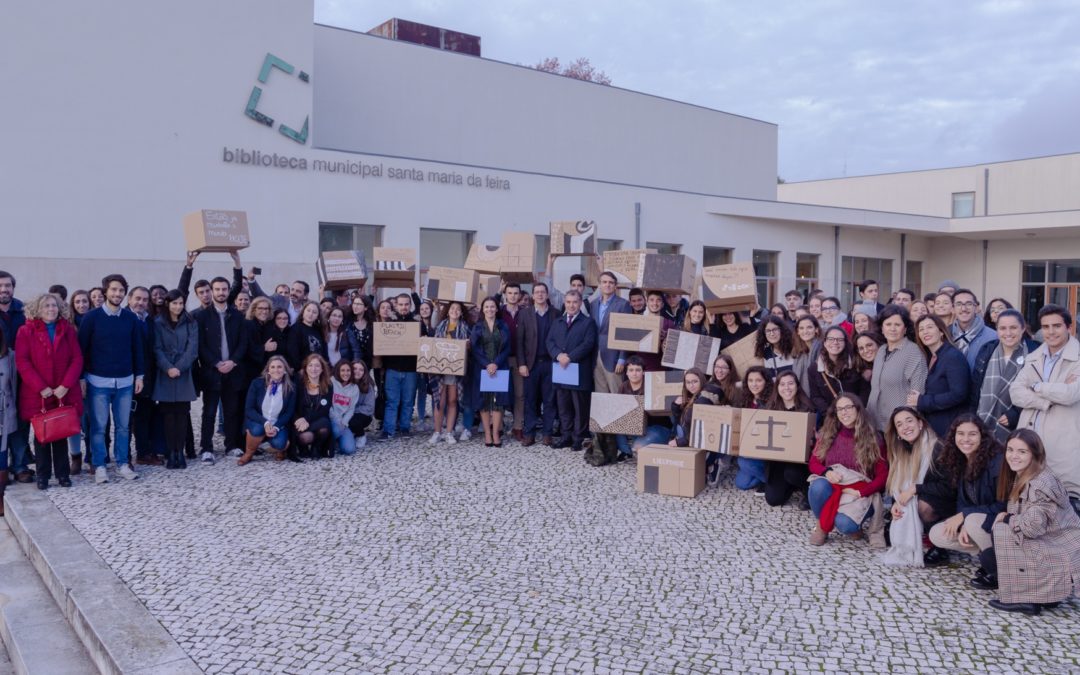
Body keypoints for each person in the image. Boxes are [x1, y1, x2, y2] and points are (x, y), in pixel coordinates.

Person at [989, 429, 1080, 615]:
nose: (1013, 456)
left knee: (1002, 531)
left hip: (1060, 547)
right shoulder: (1028, 474)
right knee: (1002, 534)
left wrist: (1008, 519)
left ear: (1035, 454)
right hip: (1056, 542)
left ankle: (1023, 598)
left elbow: (1032, 527)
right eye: (1010, 450)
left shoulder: (1039, 485)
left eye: (1022, 452)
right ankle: (1046, 594)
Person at [1010, 304, 1080, 514]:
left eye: (1057, 326)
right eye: (1046, 326)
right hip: (1031, 443)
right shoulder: (1035, 357)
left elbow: (1070, 394)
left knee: (1064, 508)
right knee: (1029, 505)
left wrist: (1037, 386)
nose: (1051, 332)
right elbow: (1015, 392)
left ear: (1068, 327)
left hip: (1063, 443)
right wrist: (1046, 400)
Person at [79, 274, 146, 483]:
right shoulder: (91, 318)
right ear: (105, 291)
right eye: (114, 289)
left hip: (126, 381)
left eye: (121, 290)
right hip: (98, 381)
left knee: (123, 426)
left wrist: (139, 375)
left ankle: (123, 463)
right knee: (99, 427)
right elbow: (82, 349)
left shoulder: (130, 318)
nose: (117, 294)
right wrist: (81, 378)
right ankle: (99, 465)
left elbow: (137, 348)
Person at [928, 415, 1006, 589]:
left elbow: (1003, 505)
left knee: (971, 521)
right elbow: (963, 501)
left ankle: (998, 572)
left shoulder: (997, 462)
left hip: (1000, 522)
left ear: (982, 436)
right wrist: (963, 521)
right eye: (960, 433)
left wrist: (965, 516)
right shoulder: (962, 459)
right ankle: (988, 558)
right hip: (977, 520)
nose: (965, 439)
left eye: (972, 434)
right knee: (938, 533)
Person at [15, 293, 83, 489]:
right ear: (37, 309)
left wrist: (65, 386)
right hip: (39, 393)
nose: (51, 309)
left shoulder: (67, 330)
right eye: (46, 306)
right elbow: (23, 362)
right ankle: (43, 476)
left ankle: (63, 475)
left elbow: (76, 359)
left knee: (61, 432)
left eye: (54, 305)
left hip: (63, 391)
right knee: (41, 436)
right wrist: (41, 387)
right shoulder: (25, 331)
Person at [807, 394, 888, 548]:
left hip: (859, 491)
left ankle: (852, 526)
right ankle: (821, 527)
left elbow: (883, 476)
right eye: (839, 409)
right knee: (817, 487)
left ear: (858, 409)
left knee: (844, 524)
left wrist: (861, 493)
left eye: (848, 407)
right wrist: (827, 472)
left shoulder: (873, 438)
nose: (844, 412)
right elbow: (814, 462)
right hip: (836, 485)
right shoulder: (828, 434)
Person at [194, 275, 248, 463]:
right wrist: (216, 363)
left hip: (233, 371)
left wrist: (233, 361)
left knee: (231, 410)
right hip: (212, 371)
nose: (221, 292)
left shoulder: (238, 316)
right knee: (209, 411)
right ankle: (206, 448)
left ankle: (231, 445)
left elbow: (243, 343)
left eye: (224, 289)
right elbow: (200, 345)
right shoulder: (201, 316)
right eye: (217, 289)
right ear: (212, 291)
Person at [881, 407, 939, 567]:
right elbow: (899, 488)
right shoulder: (901, 453)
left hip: (944, 503)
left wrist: (915, 489)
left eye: (909, 420)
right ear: (897, 433)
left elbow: (947, 488)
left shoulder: (936, 447)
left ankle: (939, 546)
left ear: (920, 423)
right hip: (917, 497)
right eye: (899, 424)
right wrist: (896, 504)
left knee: (923, 506)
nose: (905, 426)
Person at [152, 290, 198, 470]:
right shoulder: (158, 323)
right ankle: (172, 452)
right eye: (174, 303)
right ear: (167, 304)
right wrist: (168, 367)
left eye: (180, 303)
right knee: (168, 415)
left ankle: (181, 451)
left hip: (183, 373)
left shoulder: (191, 322)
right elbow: (156, 348)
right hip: (165, 373)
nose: (178, 307)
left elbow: (192, 349)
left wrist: (179, 367)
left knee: (182, 414)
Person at [546, 290, 597, 451]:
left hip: (579, 372)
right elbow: (549, 341)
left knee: (579, 407)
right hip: (561, 371)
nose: (571, 305)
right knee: (563, 406)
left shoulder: (588, 322)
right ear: (564, 303)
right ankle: (566, 436)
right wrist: (558, 355)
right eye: (568, 302)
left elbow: (588, 344)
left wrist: (570, 357)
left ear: (580, 303)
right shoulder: (558, 321)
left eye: (574, 302)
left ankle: (578, 437)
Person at [970, 309, 1029, 443]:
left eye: (1013, 327)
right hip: (982, 421)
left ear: (1023, 328)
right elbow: (975, 389)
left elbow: (1036, 391)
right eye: (1002, 328)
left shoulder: (1033, 352)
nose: (1008, 333)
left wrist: (1015, 414)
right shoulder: (987, 350)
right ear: (996, 330)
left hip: (1019, 426)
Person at [866, 306, 927, 432]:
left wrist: (907, 425)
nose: (892, 329)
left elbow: (917, 393)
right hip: (874, 423)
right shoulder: (881, 350)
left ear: (905, 329)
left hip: (898, 427)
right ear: (882, 328)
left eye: (897, 324)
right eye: (888, 324)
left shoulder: (913, 352)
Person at [909, 314, 970, 438]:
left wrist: (922, 401)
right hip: (934, 426)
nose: (925, 331)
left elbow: (959, 394)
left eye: (930, 327)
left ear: (941, 331)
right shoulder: (930, 357)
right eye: (921, 329)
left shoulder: (952, 356)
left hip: (949, 427)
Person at [762, 371, 814, 508]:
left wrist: (811, 439)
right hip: (777, 460)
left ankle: (808, 489)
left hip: (800, 461)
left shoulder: (808, 409)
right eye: (782, 384)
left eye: (790, 383)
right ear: (777, 388)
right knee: (773, 500)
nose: (787, 388)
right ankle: (790, 486)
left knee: (792, 474)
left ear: (797, 385)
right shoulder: (770, 409)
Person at [379, 293, 427, 440]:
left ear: (410, 305)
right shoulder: (388, 323)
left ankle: (405, 428)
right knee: (392, 401)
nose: (404, 307)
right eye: (401, 304)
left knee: (408, 401)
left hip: (411, 369)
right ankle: (388, 430)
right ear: (396, 305)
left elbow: (425, 344)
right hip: (392, 368)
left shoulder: (418, 323)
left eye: (406, 304)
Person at [516, 284, 557, 446]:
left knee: (549, 400)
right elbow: (519, 341)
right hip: (531, 364)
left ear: (547, 294)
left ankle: (547, 433)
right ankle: (530, 433)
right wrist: (521, 364)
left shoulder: (556, 313)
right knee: (530, 400)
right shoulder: (524, 314)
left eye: (543, 292)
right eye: (537, 292)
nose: (540, 295)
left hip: (550, 363)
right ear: (533, 295)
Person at [470, 297, 511, 447]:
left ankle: (496, 433)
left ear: (497, 309)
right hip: (482, 368)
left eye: (492, 307)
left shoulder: (503, 326)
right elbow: (475, 348)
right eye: (486, 307)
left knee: (499, 401)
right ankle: (487, 433)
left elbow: (507, 347)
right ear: (482, 309)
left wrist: (496, 363)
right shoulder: (478, 327)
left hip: (500, 366)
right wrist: (487, 364)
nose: (489, 309)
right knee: (484, 401)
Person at [127, 285, 161, 466]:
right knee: (129, 418)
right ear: (130, 299)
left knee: (145, 415)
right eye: (138, 299)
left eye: (145, 300)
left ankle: (144, 452)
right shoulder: (124, 318)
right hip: (129, 376)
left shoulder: (149, 320)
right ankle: (128, 456)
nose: (141, 303)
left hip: (148, 376)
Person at [240, 355, 296, 464]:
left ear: (285, 370)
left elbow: (289, 413)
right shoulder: (257, 383)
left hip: (277, 423)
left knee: (280, 443)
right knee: (257, 429)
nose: (276, 370)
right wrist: (265, 423)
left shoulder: (291, 388)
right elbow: (249, 409)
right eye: (273, 367)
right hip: (259, 421)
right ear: (268, 370)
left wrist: (276, 427)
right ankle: (248, 453)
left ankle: (280, 449)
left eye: (279, 367)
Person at [614, 356, 671, 459]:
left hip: (656, 426)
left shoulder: (652, 384)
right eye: (631, 370)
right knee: (613, 422)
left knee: (638, 448)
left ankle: (660, 443)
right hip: (636, 427)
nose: (634, 373)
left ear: (643, 372)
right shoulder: (623, 386)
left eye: (638, 370)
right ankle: (625, 451)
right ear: (626, 372)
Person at [808, 327, 868, 423]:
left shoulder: (856, 363)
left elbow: (864, 390)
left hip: (857, 418)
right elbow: (816, 396)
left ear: (845, 343)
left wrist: (856, 410)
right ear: (825, 342)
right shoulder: (814, 368)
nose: (835, 342)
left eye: (840, 339)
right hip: (831, 420)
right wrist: (832, 413)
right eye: (831, 339)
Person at [429, 302, 469, 445]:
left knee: (453, 400)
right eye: (452, 308)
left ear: (461, 313)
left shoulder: (465, 328)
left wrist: (467, 345)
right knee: (439, 401)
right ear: (447, 311)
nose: (455, 311)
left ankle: (449, 432)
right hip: (439, 369)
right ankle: (437, 432)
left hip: (455, 369)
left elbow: (468, 349)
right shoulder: (440, 326)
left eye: (458, 309)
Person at [589, 271, 631, 396]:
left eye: (611, 282)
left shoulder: (623, 304)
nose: (607, 285)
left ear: (615, 286)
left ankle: (621, 417)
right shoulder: (593, 304)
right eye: (604, 282)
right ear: (600, 285)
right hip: (596, 356)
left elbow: (626, 333)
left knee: (617, 393)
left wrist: (622, 359)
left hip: (614, 357)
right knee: (600, 393)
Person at [734, 366, 772, 492]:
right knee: (741, 484)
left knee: (743, 462)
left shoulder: (772, 400)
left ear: (766, 382)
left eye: (758, 380)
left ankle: (771, 482)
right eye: (750, 380)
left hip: (765, 450)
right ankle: (765, 478)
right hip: (749, 447)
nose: (754, 384)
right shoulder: (745, 399)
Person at [498, 284, 526, 442]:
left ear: (520, 295)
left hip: (520, 358)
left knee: (520, 394)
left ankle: (517, 427)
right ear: (505, 294)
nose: (513, 296)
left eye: (516, 293)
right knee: (500, 392)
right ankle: (499, 426)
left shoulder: (525, 312)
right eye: (510, 293)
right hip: (501, 357)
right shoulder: (499, 311)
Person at [292, 354, 332, 459]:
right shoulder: (298, 384)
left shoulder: (328, 385)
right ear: (305, 368)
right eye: (310, 365)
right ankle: (303, 448)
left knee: (324, 426)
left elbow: (324, 410)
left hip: (317, 419)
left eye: (317, 366)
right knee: (305, 437)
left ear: (322, 369)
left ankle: (316, 448)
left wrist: (306, 419)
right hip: (300, 421)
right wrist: (299, 420)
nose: (313, 369)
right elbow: (292, 406)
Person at [950, 289, 997, 369]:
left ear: (976, 308)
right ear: (953, 309)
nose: (964, 309)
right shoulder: (946, 335)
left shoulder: (993, 337)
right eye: (959, 304)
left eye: (969, 304)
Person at [668, 367, 713, 448]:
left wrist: (679, 442)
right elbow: (678, 421)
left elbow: (700, 431)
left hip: (694, 444)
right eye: (688, 382)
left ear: (702, 381)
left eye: (695, 382)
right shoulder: (689, 397)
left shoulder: (703, 400)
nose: (691, 386)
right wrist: (676, 406)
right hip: (683, 439)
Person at [328, 361, 364, 455]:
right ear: (338, 371)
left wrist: (344, 422)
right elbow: (328, 406)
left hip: (343, 423)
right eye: (342, 370)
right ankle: (326, 445)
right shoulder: (331, 382)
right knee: (336, 429)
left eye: (348, 370)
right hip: (331, 419)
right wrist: (337, 419)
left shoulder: (354, 388)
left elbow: (351, 409)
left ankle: (337, 441)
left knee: (349, 449)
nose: (346, 373)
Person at [245, 296, 285, 374]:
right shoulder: (248, 325)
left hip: (266, 369)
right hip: (251, 370)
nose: (264, 311)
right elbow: (246, 348)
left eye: (266, 309)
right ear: (254, 309)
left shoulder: (268, 325)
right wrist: (264, 348)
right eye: (260, 308)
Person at [286, 301, 327, 372]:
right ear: (303, 312)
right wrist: (300, 369)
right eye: (308, 310)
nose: (310, 314)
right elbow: (293, 352)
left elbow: (323, 351)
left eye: (314, 312)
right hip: (303, 371)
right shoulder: (295, 329)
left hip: (318, 370)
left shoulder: (318, 330)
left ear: (318, 316)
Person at [350, 360, 376, 450]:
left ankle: (360, 435)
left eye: (361, 370)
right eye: (355, 368)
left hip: (362, 414)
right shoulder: (345, 383)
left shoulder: (368, 386)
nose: (357, 371)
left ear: (364, 372)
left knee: (353, 421)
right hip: (345, 412)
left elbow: (369, 407)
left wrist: (352, 411)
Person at [341, 294, 373, 367]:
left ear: (366, 307)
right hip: (349, 362)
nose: (355, 306)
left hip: (366, 363)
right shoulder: (347, 321)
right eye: (354, 303)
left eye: (358, 304)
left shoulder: (371, 323)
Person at [791, 315, 821, 393]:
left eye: (809, 327)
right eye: (801, 328)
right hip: (802, 398)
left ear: (816, 329)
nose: (805, 331)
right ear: (798, 331)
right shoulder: (798, 351)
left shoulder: (822, 349)